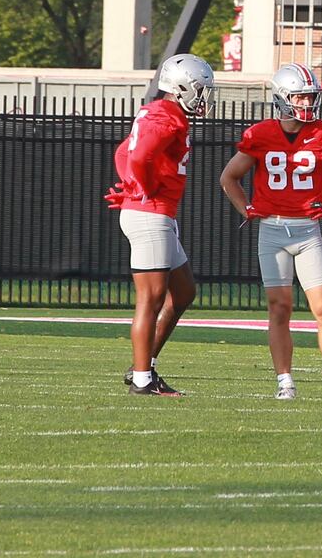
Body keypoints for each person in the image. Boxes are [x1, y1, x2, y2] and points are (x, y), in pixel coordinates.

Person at [220, 62, 322, 402]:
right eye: (300, 97)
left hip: (307, 231)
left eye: (310, 97)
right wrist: (246, 209)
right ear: (284, 98)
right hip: (272, 231)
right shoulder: (259, 134)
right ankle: (285, 382)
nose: (307, 104)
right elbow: (229, 177)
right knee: (279, 308)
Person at [107, 53, 214, 396]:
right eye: (199, 89)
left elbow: (123, 153)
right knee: (150, 300)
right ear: (181, 87)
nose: (203, 97)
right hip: (150, 214)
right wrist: (141, 186)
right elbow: (136, 156)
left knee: (183, 292)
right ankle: (142, 378)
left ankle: (143, 363)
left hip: (155, 212)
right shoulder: (167, 117)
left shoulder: (161, 113)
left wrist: (130, 185)